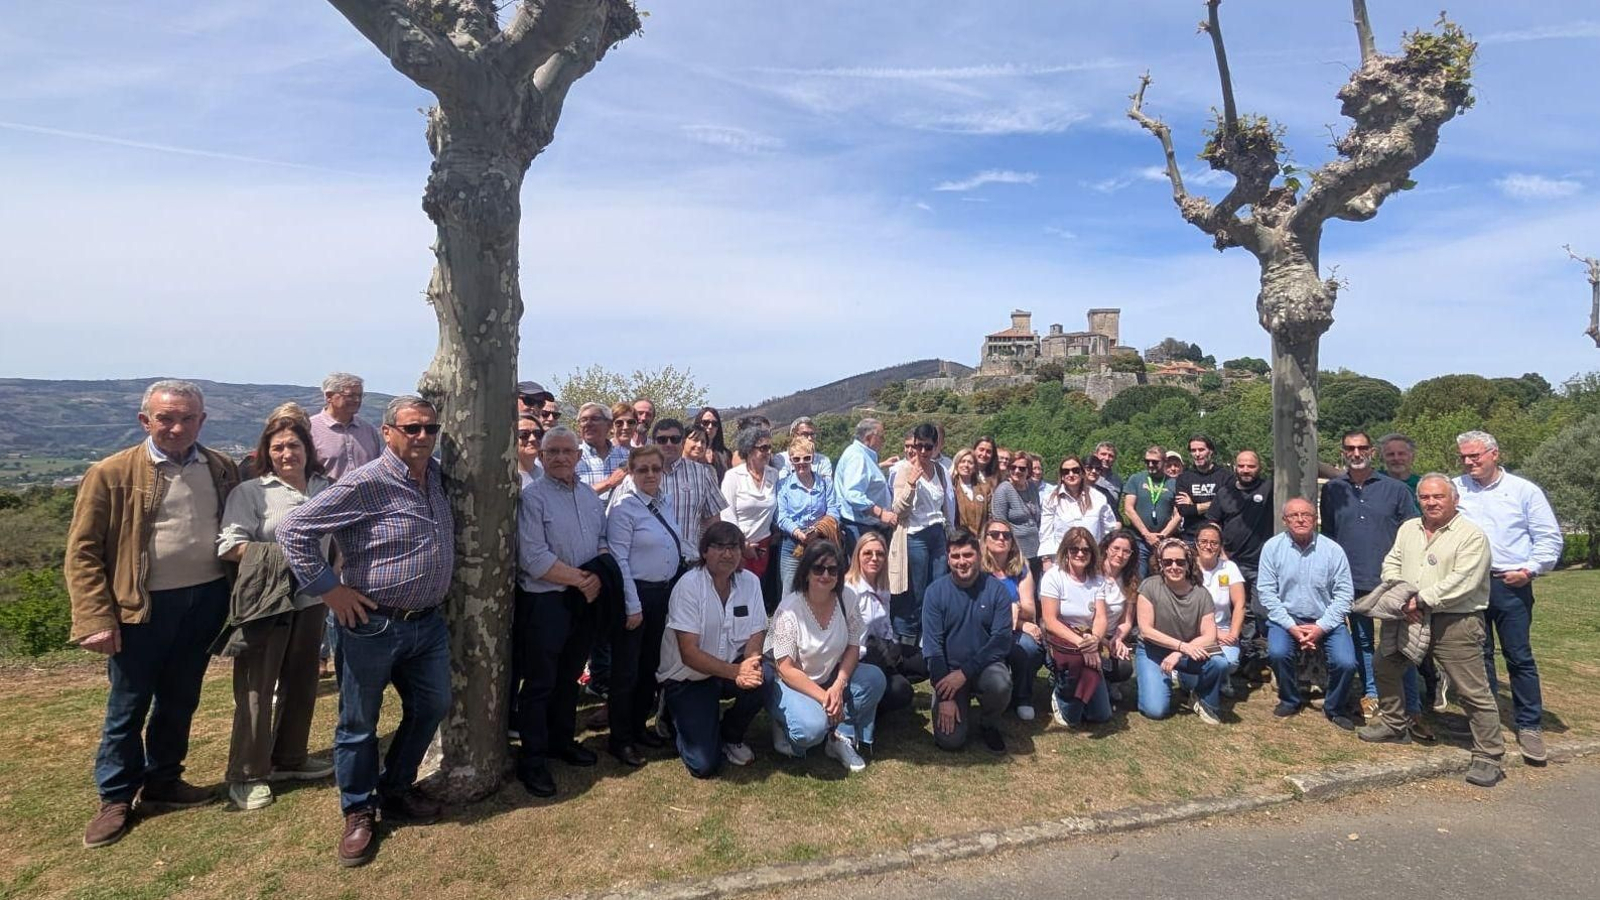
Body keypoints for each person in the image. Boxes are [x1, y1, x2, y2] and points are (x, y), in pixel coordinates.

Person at [277, 396, 453, 867]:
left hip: (427, 623)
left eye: (430, 429)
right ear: (388, 431)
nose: (421, 437)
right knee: (358, 724)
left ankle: (395, 788)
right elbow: (294, 529)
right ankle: (358, 811)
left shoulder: (435, 476)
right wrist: (329, 590)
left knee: (433, 704)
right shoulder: (366, 481)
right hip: (370, 624)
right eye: (411, 429)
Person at [68, 380, 240, 849]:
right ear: (146, 421)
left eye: (187, 418)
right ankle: (117, 797)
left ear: (202, 421)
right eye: (166, 418)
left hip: (205, 601)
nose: (177, 427)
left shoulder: (221, 467)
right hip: (138, 608)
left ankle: (164, 781)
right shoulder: (111, 472)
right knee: (127, 705)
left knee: (180, 698)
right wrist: (95, 618)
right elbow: (82, 552)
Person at [1358, 474, 1507, 787]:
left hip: (1454, 621)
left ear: (1454, 499)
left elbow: (1463, 581)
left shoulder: (1471, 535)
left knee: (1471, 689)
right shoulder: (1409, 528)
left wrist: (1421, 600)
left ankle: (1489, 754)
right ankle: (1395, 724)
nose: (1431, 502)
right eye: (1425, 497)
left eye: (1438, 496)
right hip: (1405, 614)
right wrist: (1401, 594)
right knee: (1384, 666)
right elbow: (1392, 562)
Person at [216, 416, 334, 812]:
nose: (287, 454)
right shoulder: (251, 492)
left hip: (313, 600)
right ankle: (247, 773)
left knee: (301, 682)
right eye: (278, 447)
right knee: (256, 690)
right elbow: (229, 544)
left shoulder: (325, 488)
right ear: (266, 452)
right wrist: (282, 557)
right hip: (267, 602)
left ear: (308, 450)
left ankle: (290, 757)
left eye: (294, 446)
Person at [509, 426, 615, 799]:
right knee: (539, 683)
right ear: (540, 456)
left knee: (570, 676)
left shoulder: (588, 496)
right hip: (546, 601)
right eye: (551, 451)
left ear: (578, 457)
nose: (559, 457)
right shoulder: (532, 498)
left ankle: (562, 741)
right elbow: (532, 557)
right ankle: (533, 760)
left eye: (567, 451)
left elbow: (602, 540)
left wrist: (597, 575)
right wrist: (581, 580)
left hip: (581, 600)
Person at [1453, 430, 1563, 765]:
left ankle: (1529, 724)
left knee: (1518, 656)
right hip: (1470, 584)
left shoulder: (1523, 491)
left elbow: (1549, 537)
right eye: (1464, 458)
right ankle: (1486, 723)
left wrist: (1530, 570)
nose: (1470, 462)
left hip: (1510, 582)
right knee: (1478, 654)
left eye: (1476, 456)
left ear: (1494, 454)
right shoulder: (1456, 488)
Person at [1320, 430, 1420, 723]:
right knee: (1362, 642)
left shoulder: (1396, 490)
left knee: (1402, 645)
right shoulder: (1333, 490)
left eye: (1362, 447)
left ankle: (1410, 704)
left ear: (1372, 452)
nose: (1356, 453)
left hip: (1391, 581)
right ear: (1343, 452)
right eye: (1350, 448)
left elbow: (1412, 536)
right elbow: (1329, 534)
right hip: (1351, 580)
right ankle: (1373, 695)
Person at [657, 522, 771, 778]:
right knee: (704, 765)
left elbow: (757, 631)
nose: (727, 554)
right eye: (719, 547)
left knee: (767, 675)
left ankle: (730, 736)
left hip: (728, 669)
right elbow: (689, 653)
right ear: (704, 552)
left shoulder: (750, 582)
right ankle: (670, 709)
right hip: (688, 677)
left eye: (734, 547)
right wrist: (736, 672)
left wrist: (750, 664)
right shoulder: (688, 586)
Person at [763, 542, 886, 772]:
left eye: (832, 569)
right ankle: (786, 723)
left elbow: (853, 645)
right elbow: (786, 668)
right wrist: (825, 698)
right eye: (818, 569)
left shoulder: (846, 598)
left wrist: (839, 686)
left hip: (829, 678)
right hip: (792, 682)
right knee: (809, 731)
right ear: (806, 572)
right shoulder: (789, 610)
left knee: (875, 678)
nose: (826, 575)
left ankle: (839, 736)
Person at [604, 445, 686, 768]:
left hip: (662, 596)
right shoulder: (624, 509)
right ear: (632, 472)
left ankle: (639, 728)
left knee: (650, 666)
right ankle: (620, 739)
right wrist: (632, 605)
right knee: (626, 671)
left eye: (655, 468)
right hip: (635, 595)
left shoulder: (663, 503)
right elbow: (619, 560)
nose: (650, 474)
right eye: (643, 470)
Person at [1258, 498, 1359, 730]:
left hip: (1326, 620)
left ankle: (1334, 707)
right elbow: (1266, 593)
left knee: (1346, 662)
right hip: (1287, 619)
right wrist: (1291, 626)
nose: (1301, 519)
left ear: (1315, 519)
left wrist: (1320, 627)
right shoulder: (1272, 548)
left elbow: (1344, 595)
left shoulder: (1333, 551)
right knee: (1278, 652)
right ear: (1285, 521)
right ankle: (1290, 700)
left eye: (1306, 514)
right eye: (1294, 515)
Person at [922, 530, 1015, 753]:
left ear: (979, 555)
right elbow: (933, 648)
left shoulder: (997, 590)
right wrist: (945, 697)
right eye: (955, 556)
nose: (962, 562)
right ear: (948, 558)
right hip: (947, 673)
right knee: (950, 741)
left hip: (984, 667)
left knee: (1000, 683)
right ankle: (952, 705)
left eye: (967, 555)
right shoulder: (935, 592)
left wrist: (965, 673)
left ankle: (988, 722)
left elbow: (1001, 641)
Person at [1134, 538, 1230, 723]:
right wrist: (1181, 647)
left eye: (1180, 562)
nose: (1174, 566)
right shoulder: (1149, 586)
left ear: (1189, 563)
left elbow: (1210, 635)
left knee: (1219, 663)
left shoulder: (1202, 594)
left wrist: (1179, 651)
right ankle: (1162, 680)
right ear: (1160, 564)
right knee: (1155, 710)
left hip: (1188, 651)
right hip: (1152, 651)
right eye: (1167, 562)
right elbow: (1146, 630)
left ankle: (1202, 698)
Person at [1038, 527, 1114, 728]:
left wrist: (1095, 640)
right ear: (1066, 551)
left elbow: (1100, 618)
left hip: (1088, 640)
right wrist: (1082, 644)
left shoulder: (1097, 579)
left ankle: (1084, 691)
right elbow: (1050, 620)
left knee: (1101, 715)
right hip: (1062, 642)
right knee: (1071, 719)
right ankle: (1061, 691)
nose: (1080, 554)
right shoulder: (1054, 577)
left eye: (1086, 550)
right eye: (1074, 549)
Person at [888, 423, 952, 647]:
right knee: (916, 590)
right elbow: (898, 509)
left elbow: (945, 503)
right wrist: (911, 484)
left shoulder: (940, 470)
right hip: (915, 534)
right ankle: (908, 639)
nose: (922, 452)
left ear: (935, 447)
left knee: (938, 586)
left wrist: (949, 530)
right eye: (919, 446)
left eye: (928, 447)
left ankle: (930, 635)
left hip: (937, 532)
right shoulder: (903, 470)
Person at [844, 531, 917, 714]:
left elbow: (885, 624)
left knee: (924, 661)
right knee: (902, 692)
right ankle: (866, 706)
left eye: (880, 554)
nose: (874, 558)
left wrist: (892, 647)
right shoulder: (849, 591)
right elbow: (850, 642)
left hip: (883, 648)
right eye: (868, 553)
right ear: (857, 556)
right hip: (859, 657)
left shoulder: (883, 586)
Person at [981, 520, 1045, 721]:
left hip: (1014, 631)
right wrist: (1018, 620)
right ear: (985, 539)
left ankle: (1022, 697)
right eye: (995, 534)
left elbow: (1030, 609)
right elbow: (982, 613)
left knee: (1029, 647)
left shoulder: (1021, 569)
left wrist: (1016, 610)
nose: (1001, 538)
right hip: (986, 630)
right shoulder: (978, 570)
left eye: (1006, 535)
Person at [647, 418, 727, 559]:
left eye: (674, 439)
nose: (669, 444)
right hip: (649, 562)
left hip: (689, 562)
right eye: (662, 440)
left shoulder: (701, 473)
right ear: (653, 442)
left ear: (682, 442)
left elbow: (713, 522)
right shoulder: (640, 474)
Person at [775, 435, 842, 587]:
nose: (801, 463)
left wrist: (817, 531)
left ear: (812, 458)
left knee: (819, 587)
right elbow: (782, 516)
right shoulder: (783, 485)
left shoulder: (825, 483)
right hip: (792, 544)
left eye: (806, 458)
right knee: (790, 590)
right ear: (791, 460)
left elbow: (834, 509)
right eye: (796, 459)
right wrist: (798, 533)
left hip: (820, 541)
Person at [721, 425, 779, 582]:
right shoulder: (733, 476)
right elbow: (727, 514)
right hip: (737, 547)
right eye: (763, 448)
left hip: (764, 548)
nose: (768, 452)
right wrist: (741, 545)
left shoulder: (774, 475)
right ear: (749, 449)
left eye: (769, 447)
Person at [833, 418, 896, 557]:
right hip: (860, 528)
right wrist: (881, 513)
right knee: (863, 573)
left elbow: (863, 477)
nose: (884, 441)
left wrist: (881, 466)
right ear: (868, 438)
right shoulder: (857, 457)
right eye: (881, 436)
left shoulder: (860, 454)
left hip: (864, 526)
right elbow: (853, 494)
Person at [1039, 454, 1119, 564]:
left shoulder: (1098, 498)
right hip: (1062, 561)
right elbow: (1046, 532)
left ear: (1082, 473)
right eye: (1066, 471)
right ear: (1061, 476)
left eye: (1075, 470)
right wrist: (1046, 560)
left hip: (1092, 561)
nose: (1071, 474)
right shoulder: (1051, 499)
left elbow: (1109, 529)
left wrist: (1105, 556)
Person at [1193, 523, 1245, 687]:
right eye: (1203, 541)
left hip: (1224, 629)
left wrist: (1233, 634)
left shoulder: (1229, 568)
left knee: (1230, 663)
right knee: (1200, 660)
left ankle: (1217, 678)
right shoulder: (1187, 567)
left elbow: (1240, 604)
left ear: (1220, 546)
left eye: (1214, 543)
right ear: (1196, 543)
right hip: (1192, 631)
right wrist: (1215, 635)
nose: (1208, 546)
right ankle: (1192, 679)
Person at [309, 372, 383, 482]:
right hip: (326, 497)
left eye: (359, 395)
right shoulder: (310, 429)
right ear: (329, 396)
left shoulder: (369, 431)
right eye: (350, 396)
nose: (357, 400)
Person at [1122, 446, 1180, 578]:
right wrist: (1147, 534)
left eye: (1155, 462)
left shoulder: (1173, 483)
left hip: (1163, 541)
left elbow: (1179, 514)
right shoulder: (1136, 479)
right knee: (1138, 579)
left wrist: (1162, 535)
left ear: (1164, 462)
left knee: (1162, 580)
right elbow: (1128, 509)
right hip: (1139, 540)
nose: (1150, 464)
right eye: (1147, 461)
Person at [991, 452, 1043, 584]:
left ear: (1028, 471)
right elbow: (999, 523)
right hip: (1015, 553)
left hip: (1035, 550)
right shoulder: (1003, 490)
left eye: (1022, 468)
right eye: (1013, 467)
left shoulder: (1032, 487)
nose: (1017, 471)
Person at [1174, 434, 1230, 544]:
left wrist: (1194, 506)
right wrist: (1216, 503)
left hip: (1218, 537)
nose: (1197, 454)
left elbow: (1227, 507)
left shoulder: (1226, 476)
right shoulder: (1184, 478)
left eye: (1201, 450)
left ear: (1211, 451)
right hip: (1190, 538)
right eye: (1193, 450)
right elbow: (1184, 510)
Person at [575, 402, 629, 501]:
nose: (588, 424)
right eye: (583, 420)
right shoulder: (572, 457)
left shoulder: (626, 456)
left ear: (609, 425)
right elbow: (571, 497)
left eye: (594, 419)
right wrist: (609, 483)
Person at [950, 448, 991, 534]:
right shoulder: (950, 488)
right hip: (959, 540)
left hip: (981, 540)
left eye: (970, 462)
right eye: (962, 461)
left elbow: (990, 516)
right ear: (957, 464)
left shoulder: (985, 489)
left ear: (975, 467)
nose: (966, 465)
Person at [693, 407, 731, 478]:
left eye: (714, 424)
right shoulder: (689, 452)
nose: (710, 426)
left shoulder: (726, 455)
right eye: (705, 423)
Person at [516, 413, 544, 488]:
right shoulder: (503, 478)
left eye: (537, 434)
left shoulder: (546, 477)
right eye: (524, 434)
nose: (533, 438)